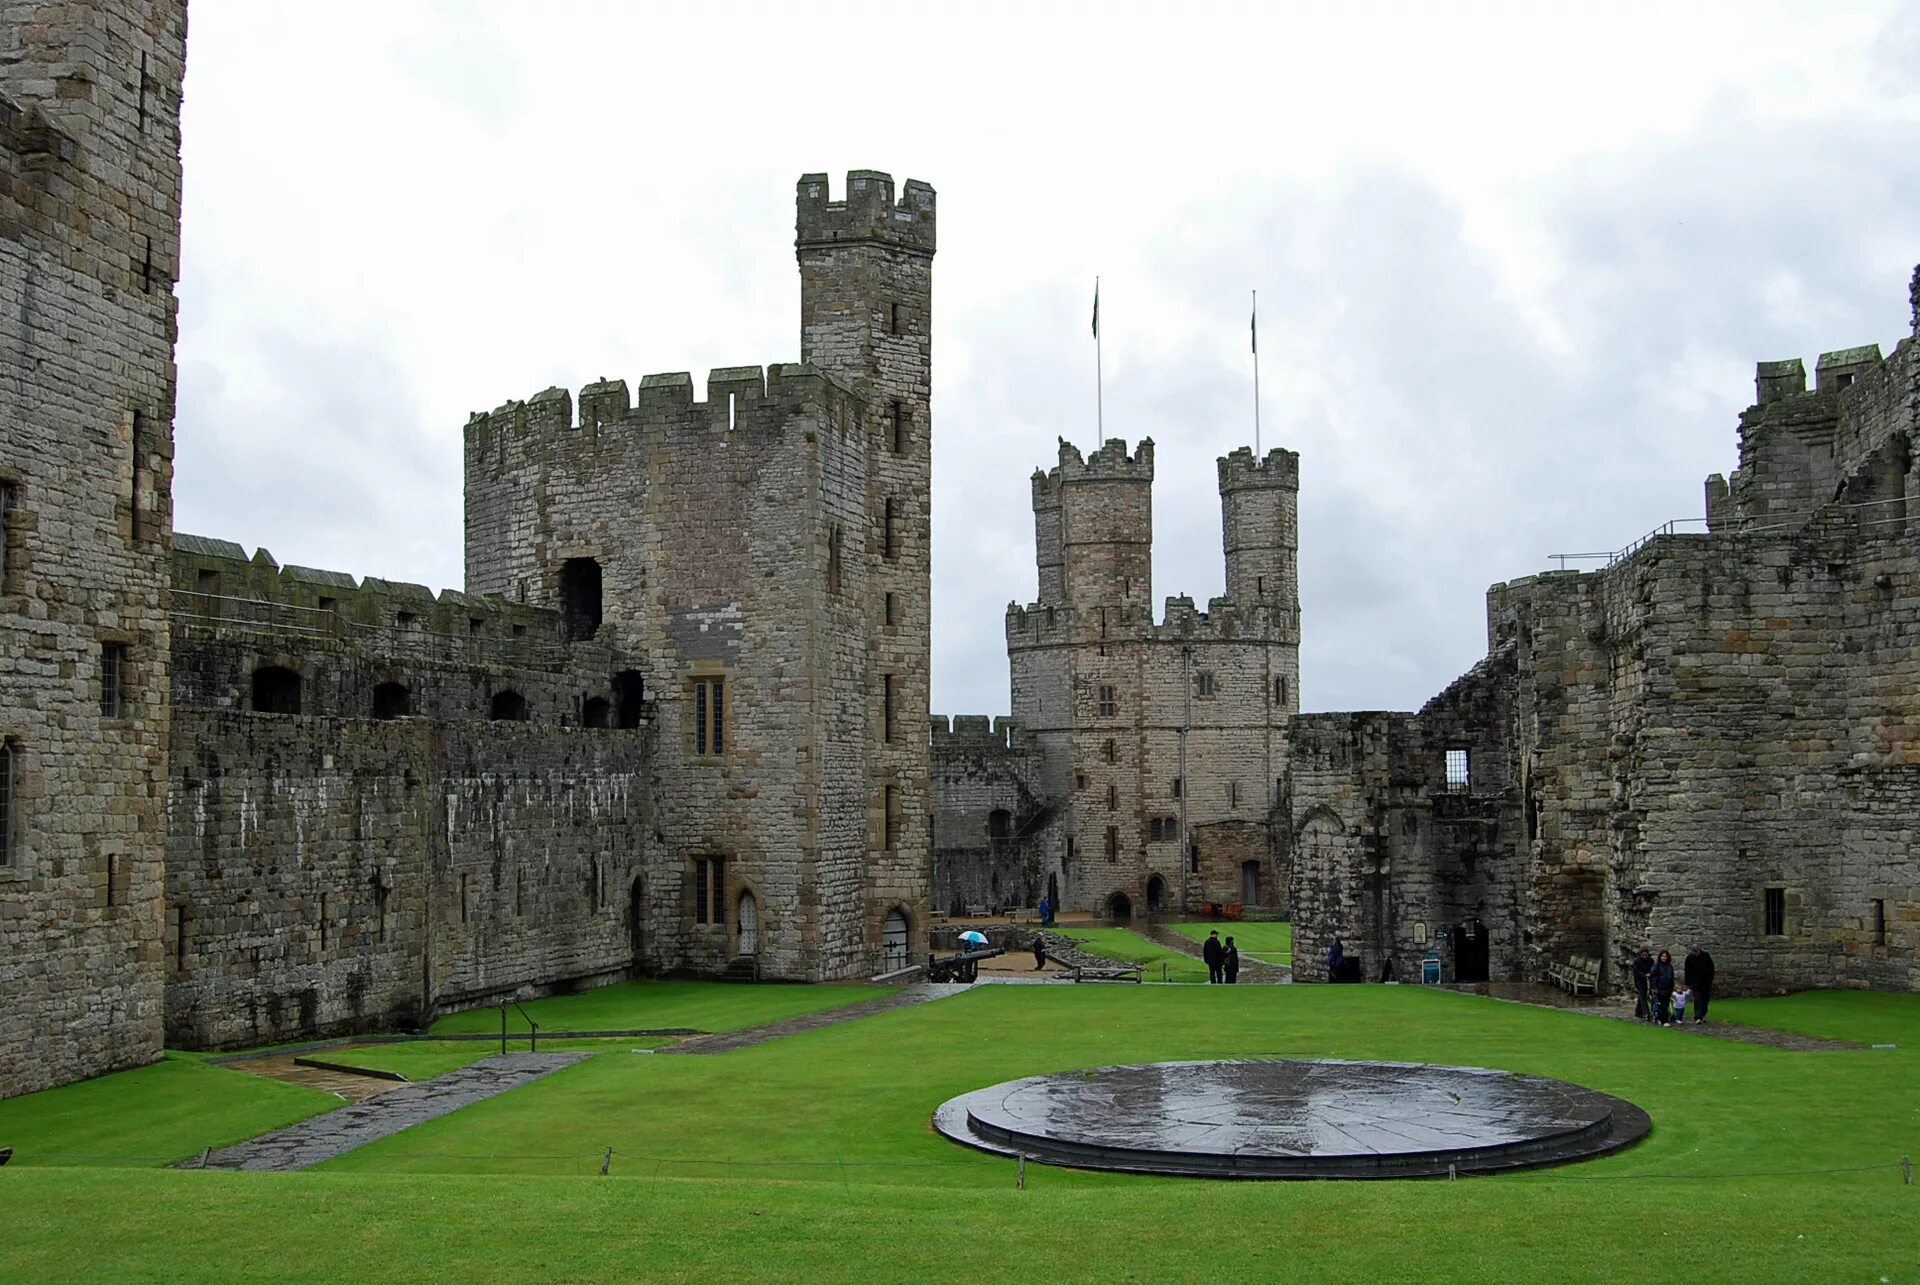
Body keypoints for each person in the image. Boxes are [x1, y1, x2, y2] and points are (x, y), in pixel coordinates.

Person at [1684, 944, 1715, 1024]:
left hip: (1706, 983)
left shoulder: (1706, 956)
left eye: (1697, 951)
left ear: (1699, 950)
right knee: (1698, 1000)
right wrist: (1688, 983)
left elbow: (1711, 968)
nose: (1696, 953)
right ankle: (1697, 1017)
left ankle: (1703, 1015)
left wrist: (1710, 979)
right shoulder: (1689, 958)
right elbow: (1687, 971)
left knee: (1705, 1000)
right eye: (1694, 951)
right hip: (1695, 984)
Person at [1651, 949, 1676, 1025]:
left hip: (1667, 988)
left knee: (1666, 1004)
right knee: (1661, 1004)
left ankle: (1663, 1019)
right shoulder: (1657, 965)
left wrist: (1672, 988)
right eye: (1662, 956)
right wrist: (1654, 987)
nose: (1664, 958)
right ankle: (1663, 1020)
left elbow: (1671, 978)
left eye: (1665, 956)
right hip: (1660, 987)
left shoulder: (1670, 966)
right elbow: (1653, 976)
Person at [1631, 947, 1654, 1022]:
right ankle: (1647, 1013)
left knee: (1642, 996)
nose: (1644, 956)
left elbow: (1653, 968)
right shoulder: (1637, 961)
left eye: (1646, 955)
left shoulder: (1651, 960)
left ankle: (1638, 1012)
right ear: (1641, 954)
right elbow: (1636, 971)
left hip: (1648, 980)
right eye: (1643, 955)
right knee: (1643, 996)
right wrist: (1644, 975)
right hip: (1639, 981)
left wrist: (1650, 973)